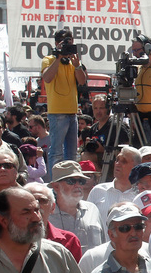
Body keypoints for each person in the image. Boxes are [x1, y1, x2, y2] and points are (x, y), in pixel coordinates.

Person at [41, 29, 87, 175]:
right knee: (56, 152)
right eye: (63, 41)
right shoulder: (49, 59)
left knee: (72, 153)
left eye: (70, 42)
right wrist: (58, 57)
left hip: (72, 111)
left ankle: (71, 179)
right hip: (57, 112)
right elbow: (47, 78)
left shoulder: (73, 61)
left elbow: (82, 81)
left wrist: (77, 64)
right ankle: (55, 182)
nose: (68, 45)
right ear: (56, 43)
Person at [49, 160, 105, 254]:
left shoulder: (92, 209)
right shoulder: (47, 215)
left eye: (81, 181)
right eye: (71, 181)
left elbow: (103, 244)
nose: (78, 185)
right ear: (56, 186)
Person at [25, 182, 82, 261]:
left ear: (53, 207)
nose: (36, 205)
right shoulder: (7, 237)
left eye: (42, 200)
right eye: (31, 200)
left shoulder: (69, 241)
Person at [87, 145, 141, 221]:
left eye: (124, 161)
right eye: (117, 160)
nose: (118, 164)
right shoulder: (98, 191)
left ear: (136, 167)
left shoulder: (141, 195)